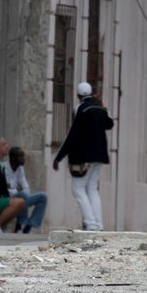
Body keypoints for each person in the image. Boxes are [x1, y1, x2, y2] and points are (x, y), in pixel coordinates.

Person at [53, 81, 114, 231]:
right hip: (99, 156)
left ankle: (91, 224)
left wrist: (59, 157)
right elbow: (110, 124)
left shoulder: (80, 108)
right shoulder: (100, 108)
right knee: (92, 188)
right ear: (91, 92)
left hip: (83, 156)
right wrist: (103, 105)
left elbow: (72, 134)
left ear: (78, 95)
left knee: (78, 189)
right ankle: (98, 225)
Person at [4, 146, 48, 234]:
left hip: (21, 198)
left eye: (23, 156)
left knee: (43, 196)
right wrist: (18, 191)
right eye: (20, 156)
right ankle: (20, 225)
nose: (23, 159)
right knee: (23, 196)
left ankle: (28, 227)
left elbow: (26, 187)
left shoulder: (20, 168)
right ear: (13, 158)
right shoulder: (5, 168)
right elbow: (7, 190)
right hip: (8, 199)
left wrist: (18, 191)